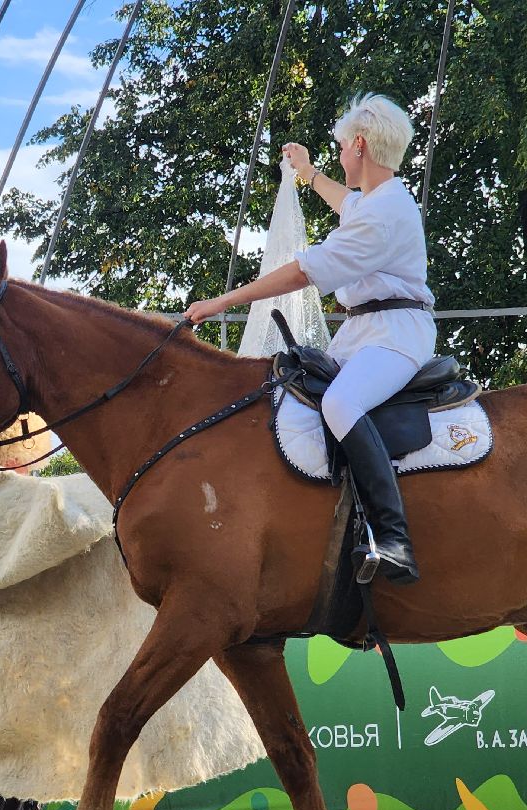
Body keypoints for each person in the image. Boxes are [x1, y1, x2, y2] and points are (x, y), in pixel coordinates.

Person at [185, 93, 435, 584]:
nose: (341, 156)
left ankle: (394, 539)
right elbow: (347, 201)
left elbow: (303, 272)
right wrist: (308, 172)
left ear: (359, 144)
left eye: (342, 147)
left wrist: (221, 302)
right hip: (364, 330)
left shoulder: (383, 216)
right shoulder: (378, 199)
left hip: (396, 333)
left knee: (341, 403)